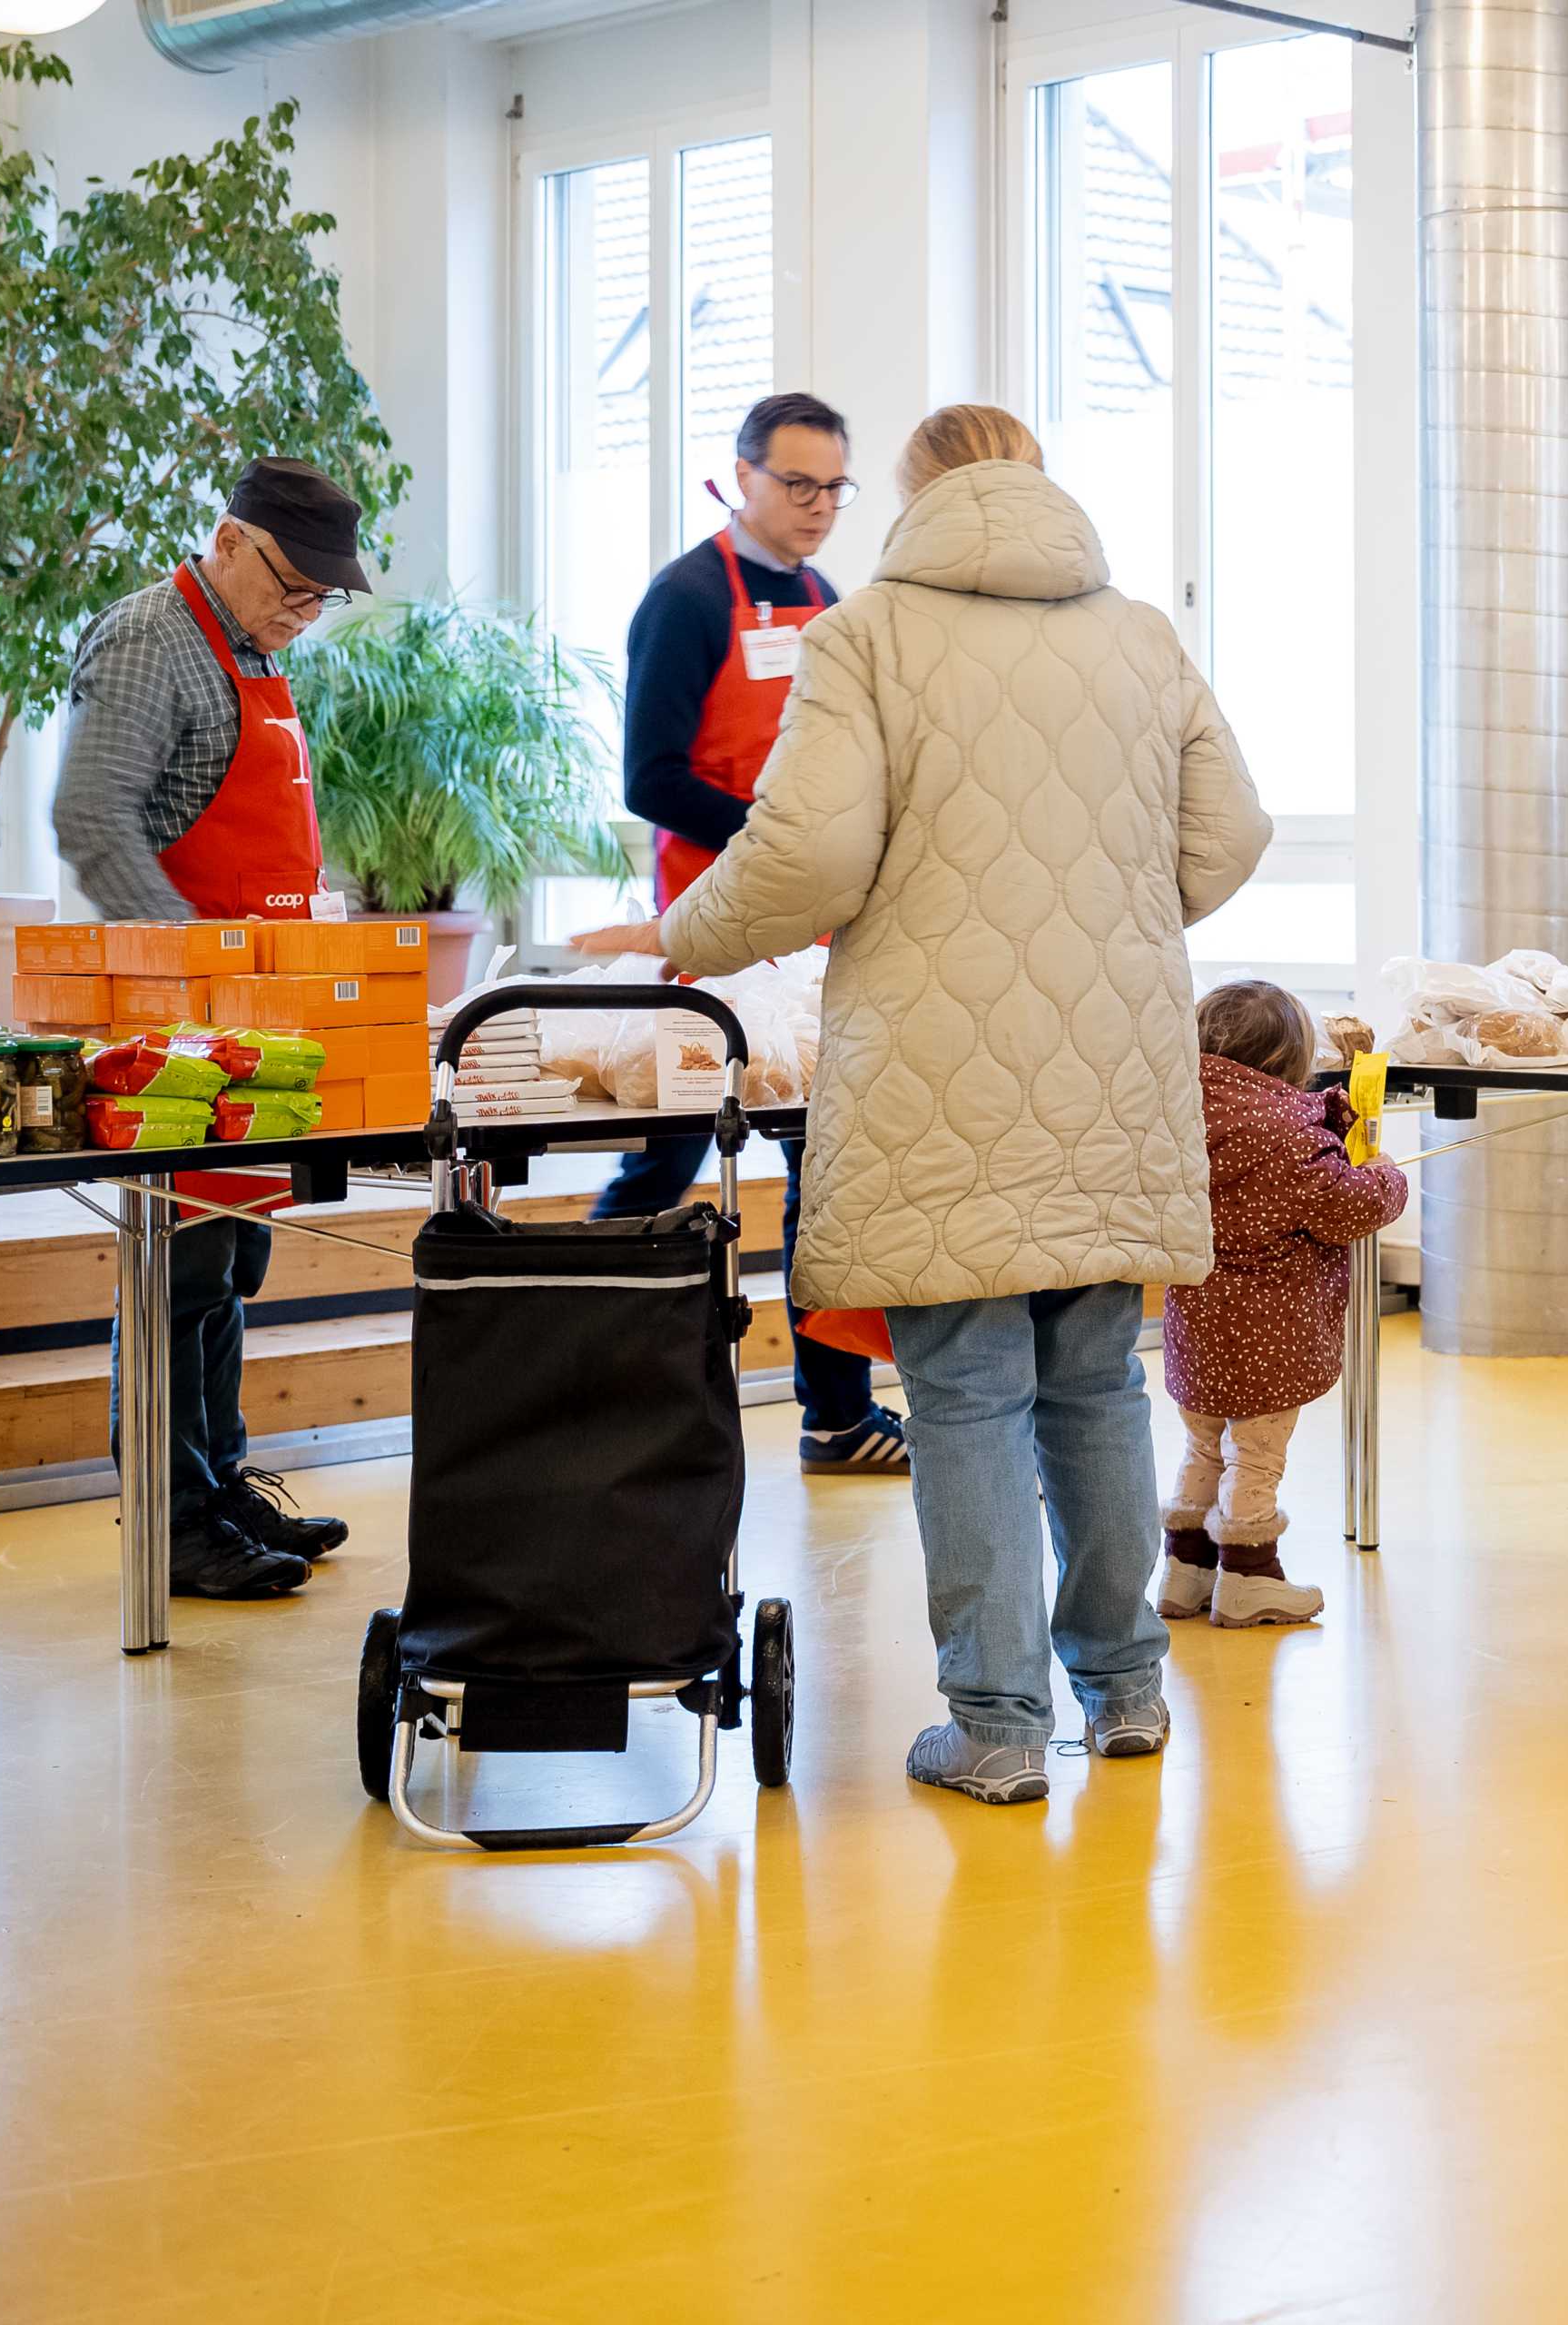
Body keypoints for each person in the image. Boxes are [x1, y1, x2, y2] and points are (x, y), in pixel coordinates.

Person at [577, 402, 1271, 1806]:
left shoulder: (870, 635)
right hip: (1113, 1064)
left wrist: (685, 938)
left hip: (939, 1067)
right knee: (1094, 1385)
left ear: (909, 494)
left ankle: (1001, 1724)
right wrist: (1118, 912)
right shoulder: (1138, 634)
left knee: (962, 1394)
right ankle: (1127, 1690)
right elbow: (1234, 835)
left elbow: (811, 856)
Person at [54, 458, 371, 1601]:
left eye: (323, 595)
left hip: (255, 1018)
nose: (305, 610)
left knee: (230, 1260)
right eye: (294, 583)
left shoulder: (251, 647)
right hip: (176, 1020)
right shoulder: (150, 640)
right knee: (175, 1271)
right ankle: (174, 1516)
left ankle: (221, 1480)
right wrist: (197, 969)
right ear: (230, 541)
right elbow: (91, 819)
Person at [597, 390, 907, 1477]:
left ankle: (837, 1413)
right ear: (740, 476)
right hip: (712, 938)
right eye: (798, 483)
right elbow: (650, 779)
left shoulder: (829, 600)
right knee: (662, 1164)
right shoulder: (684, 600)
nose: (820, 505)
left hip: (815, 945)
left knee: (826, 1180)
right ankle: (579, 1377)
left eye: (836, 486)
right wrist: (776, 840)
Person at [1156, 980, 1411, 1631]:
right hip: (1272, 1335)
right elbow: (1350, 1206)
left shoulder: (1176, 1112)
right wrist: (1385, 1173)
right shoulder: (1291, 1138)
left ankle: (1184, 1577)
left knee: (1203, 1449)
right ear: (1288, 1061)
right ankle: (1250, 1579)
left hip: (1197, 1327)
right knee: (1257, 1456)